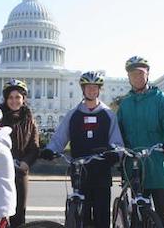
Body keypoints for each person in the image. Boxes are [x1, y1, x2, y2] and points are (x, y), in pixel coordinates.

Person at [40, 71, 124, 228]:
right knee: (82, 215)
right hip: (80, 170)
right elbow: (60, 136)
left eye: (95, 87)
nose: (91, 90)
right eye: (88, 87)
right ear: (83, 89)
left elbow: (116, 140)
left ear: (99, 90)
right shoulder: (73, 114)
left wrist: (115, 153)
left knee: (101, 216)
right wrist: (50, 149)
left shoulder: (108, 115)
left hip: (101, 171)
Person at [116, 56, 164, 228]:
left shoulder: (162, 99)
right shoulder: (125, 104)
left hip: (159, 166)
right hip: (135, 168)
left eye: (140, 73)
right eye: (133, 75)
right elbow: (118, 132)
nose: (137, 78)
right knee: (137, 217)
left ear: (147, 74)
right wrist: (116, 150)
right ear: (128, 77)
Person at [0, 79, 40, 227]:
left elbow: (34, 146)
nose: (14, 101)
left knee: (18, 213)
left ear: (23, 99)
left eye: (18, 97)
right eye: (10, 97)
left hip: (20, 171)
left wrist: (26, 162)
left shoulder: (30, 119)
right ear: (5, 99)